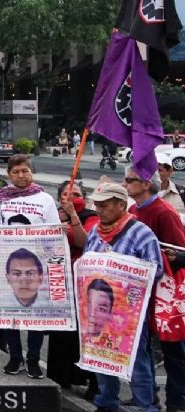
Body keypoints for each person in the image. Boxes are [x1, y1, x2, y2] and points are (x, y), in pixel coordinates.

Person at [84, 182, 163, 412]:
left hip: (130, 315)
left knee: (138, 364)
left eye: (104, 205)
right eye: (97, 204)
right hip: (98, 310)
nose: (99, 209)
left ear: (121, 205)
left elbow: (155, 270)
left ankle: (145, 406)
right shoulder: (95, 232)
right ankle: (107, 402)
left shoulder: (142, 233)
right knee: (102, 359)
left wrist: (121, 268)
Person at [0, 155, 59, 380]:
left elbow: (53, 231)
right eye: (16, 172)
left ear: (31, 172)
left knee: (36, 315)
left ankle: (34, 359)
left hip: (37, 266)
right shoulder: (1, 200)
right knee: (11, 314)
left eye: (25, 171)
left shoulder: (45, 199)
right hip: (9, 265)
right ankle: (15, 356)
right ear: (9, 174)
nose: (21, 176)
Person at [125, 167, 185, 412]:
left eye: (130, 180)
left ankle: (177, 402)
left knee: (173, 352)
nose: (125, 183)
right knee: (143, 348)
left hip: (165, 294)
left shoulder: (164, 212)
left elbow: (180, 251)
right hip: (140, 291)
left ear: (146, 184)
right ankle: (148, 395)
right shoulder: (132, 210)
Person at [48, 180, 99, 396]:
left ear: (84, 198)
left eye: (76, 193)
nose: (72, 197)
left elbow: (83, 242)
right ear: (60, 198)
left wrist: (73, 220)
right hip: (59, 283)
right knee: (62, 334)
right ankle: (61, 377)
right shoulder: (52, 215)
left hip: (84, 285)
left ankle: (90, 381)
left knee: (86, 334)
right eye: (67, 194)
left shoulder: (92, 217)